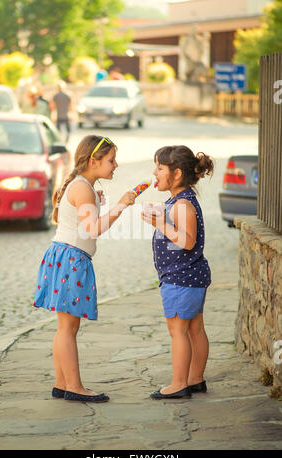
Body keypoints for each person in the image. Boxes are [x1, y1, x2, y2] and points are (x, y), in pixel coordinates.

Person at [33, 135, 136, 403]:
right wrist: (121, 205)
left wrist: (97, 200)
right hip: (72, 260)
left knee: (64, 327)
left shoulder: (83, 186)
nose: (115, 165)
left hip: (64, 255)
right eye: (111, 160)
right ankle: (74, 387)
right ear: (94, 160)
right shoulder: (83, 188)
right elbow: (94, 228)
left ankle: (61, 383)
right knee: (68, 329)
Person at [142, 145, 214, 400]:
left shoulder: (183, 203)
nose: (155, 172)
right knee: (194, 329)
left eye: (160, 168)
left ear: (177, 174)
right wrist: (160, 215)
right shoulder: (179, 201)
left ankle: (179, 383)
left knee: (178, 331)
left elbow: (187, 241)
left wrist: (160, 223)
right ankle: (195, 379)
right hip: (188, 277)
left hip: (181, 278)